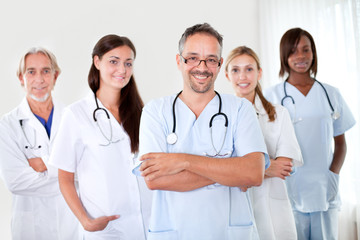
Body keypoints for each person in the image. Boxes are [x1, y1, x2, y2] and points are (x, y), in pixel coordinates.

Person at [134, 23, 269, 240]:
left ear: (219, 64)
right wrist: (230, 169)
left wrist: (183, 161)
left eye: (211, 59)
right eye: (193, 58)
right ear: (179, 61)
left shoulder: (240, 108)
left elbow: (253, 173)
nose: (202, 67)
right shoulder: (155, 111)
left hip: (228, 232)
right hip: (174, 232)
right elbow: (154, 180)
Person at [49, 34, 151, 239]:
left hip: (145, 224)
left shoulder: (142, 113)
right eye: (114, 61)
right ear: (97, 61)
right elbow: (65, 178)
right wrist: (85, 221)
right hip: (106, 230)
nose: (122, 70)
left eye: (128, 63)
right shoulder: (77, 114)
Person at [265, 28, 356, 239]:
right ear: (284, 56)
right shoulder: (272, 96)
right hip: (289, 185)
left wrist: (334, 173)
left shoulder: (330, 93)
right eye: (294, 51)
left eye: (306, 50)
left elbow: (341, 142)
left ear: (313, 53)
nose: (301, 57)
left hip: (324, 187)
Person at [0, 47, 81, 240]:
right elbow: (16, 182)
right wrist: (67, 173)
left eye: (46, 71)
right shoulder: (7, 125)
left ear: (56, 76)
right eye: (31, 72)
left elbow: (88, 170)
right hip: (31, 228)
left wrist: (43, 163)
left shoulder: (75, 118)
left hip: (72, 224)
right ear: (21, 77)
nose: (39, 79)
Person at [225, 46, 303, 240]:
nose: (242, 76)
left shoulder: (279, 114)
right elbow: (220, 168)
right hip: (235, 205)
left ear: (259, 73)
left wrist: (245, 170)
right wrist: (266, 167)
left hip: (273, 206)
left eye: (249, 69)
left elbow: (284, 167)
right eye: (235, 70)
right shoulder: (220, 118)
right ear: (227, 75)